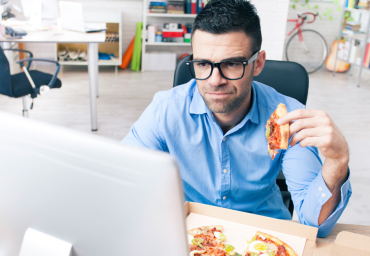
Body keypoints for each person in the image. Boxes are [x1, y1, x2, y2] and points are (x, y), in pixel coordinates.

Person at [122, 0, 351, 237]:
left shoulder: (287, 117)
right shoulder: (165, 111)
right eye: (202, 64)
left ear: (258, 63)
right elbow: (122, 177)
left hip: (263, 239)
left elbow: (315, 225)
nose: (214, 80)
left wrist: (337, 161)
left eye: (231, 64)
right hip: (189, 236)